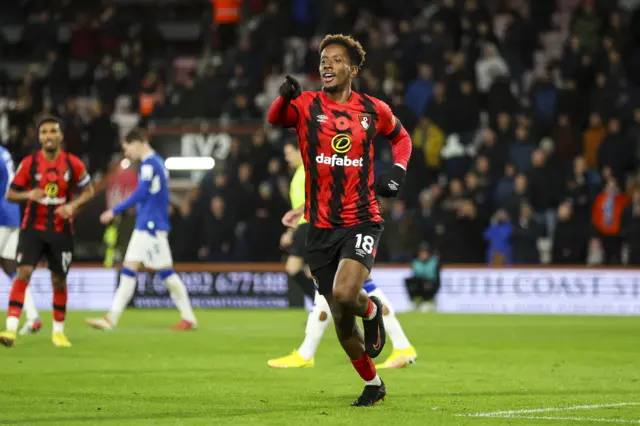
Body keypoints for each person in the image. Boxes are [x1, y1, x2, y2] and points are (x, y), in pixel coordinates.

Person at [267, 34, 412, 406]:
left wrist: (397, 171)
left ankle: (370, 306)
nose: (326, 66)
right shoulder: (305, 105)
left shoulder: (372, 109)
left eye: (335, 60)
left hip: (361, 219)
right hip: (319, 227)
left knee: (348, 293)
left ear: (353, 68)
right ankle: (374, 383)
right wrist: (284, 96)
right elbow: (275, 118)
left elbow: (402, 138)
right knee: (342, 322)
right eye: (323, 60)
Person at [269, 151, 417, 369]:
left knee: (342, 286)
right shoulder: (324, 163)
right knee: (338, 287)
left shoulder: (324, 163)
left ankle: (306, 353)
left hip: (340, 227)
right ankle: (402, 346)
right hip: (338, 226)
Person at [86, 129, 197, 331]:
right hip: (148, 225)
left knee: (165, 274)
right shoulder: (157, 162)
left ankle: (188, 317)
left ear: (137, 142)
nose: (127, 153)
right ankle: (111, 319)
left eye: (127, 148)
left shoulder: (149, 163)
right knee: (132, 271)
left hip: (150, 227)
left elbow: (141, 192)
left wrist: (114, 210)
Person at [0, 116, 95, 348]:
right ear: (39, 137)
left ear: (61, 136)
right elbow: (10, 194)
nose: (48, 136)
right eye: (44, 132)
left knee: (59, 281)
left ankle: (58, 332)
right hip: (32, 228)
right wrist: (29, 195)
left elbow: (89, 190)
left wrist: (72, 206)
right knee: (22, 272)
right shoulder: (29, 163)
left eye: (53, 131)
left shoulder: (73, 164)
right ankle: (10, 329)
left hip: (61, 230)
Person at [0, 146, 42, 335]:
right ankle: (33, 317)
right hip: (12, 215)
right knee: (10, 268)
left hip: (1, 216)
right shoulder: (4, 152)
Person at [279, 141, 315, 300]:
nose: (287, 158)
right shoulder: (300, 172)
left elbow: (314, 198)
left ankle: (322, 308)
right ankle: (321, 310)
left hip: (309, 225)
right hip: (303, 226)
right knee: (311, 272)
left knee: (293, 268)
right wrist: (291, 230)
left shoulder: (309, 171)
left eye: (289, 153)